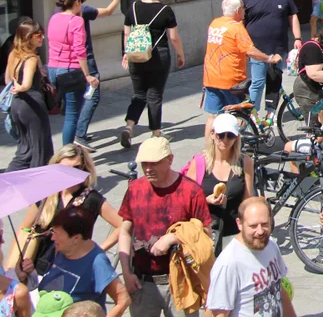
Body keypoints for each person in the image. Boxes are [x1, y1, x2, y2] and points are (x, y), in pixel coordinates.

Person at [118, 136, 211, 317]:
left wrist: (174, 237)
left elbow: (205, 235)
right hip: (142, 282)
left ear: (170, 159)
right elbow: (125, 231)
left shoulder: (191, 191)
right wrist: (126, 273)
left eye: (154, 163)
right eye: (144, 163)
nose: (147, 169)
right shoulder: (135, 189)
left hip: (181, 281)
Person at [6, 143, 123, 274]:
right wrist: (11, 267)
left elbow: (122, 225)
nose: (71, 173)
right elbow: (23, 230)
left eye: (76, 167)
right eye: (64, 168)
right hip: (38, 268)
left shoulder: (91, 198)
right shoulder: (45, 194)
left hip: (73, 270)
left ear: (84, 169)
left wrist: (98, 251)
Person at [19, 206, 129, 317]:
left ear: (76, 238)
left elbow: (123, 299)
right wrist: (30, 273)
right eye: (53, 232)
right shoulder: (60, 249)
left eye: (57, 233)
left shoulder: (96, 262)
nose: (52, 238)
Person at [203, 0, 282, 138]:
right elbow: (250, 50)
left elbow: (226, 46)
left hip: (210, 78)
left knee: (213, 116)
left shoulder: (215, 23)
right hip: (231, 81)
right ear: (238, 10)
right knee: (241, 115)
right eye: (243, 9)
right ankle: (237, 147)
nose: (245, 12)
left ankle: (211, 149)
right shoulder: (236, 27)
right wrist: (269, 58)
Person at [63, 0, 128, 148]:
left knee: (76, 99)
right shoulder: (82, 10)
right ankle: (80, 133)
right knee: (93, 94)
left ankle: (74, 135)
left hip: (68, 61)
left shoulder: (60, 11)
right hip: (85, 58)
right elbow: (107, 11)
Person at [205, 197, 296, 317]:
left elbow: (280, 291)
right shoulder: (228, 263)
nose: (260, 231)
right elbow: (219, 314)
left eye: (264, 224)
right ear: (239, 224)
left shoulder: (271, 245)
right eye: (253, 226)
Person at [120, 0, 183, 149]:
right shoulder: (166, 10)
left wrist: (126, 53)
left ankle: (128, 127)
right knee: (154, 96)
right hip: (158, 57)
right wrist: (180, 54)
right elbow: (173, 37)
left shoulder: (132, 7)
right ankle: (156, 133)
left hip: (135, 56)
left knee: (139, 94)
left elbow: (126, 33)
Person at [183, 113, 254, 250]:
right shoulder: (199, 163)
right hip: (204, 234)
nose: (225, 140)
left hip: (233, 235)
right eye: (221, 135)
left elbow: (247, 199)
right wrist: (207, 200)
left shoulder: (245, 162)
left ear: (237, 137)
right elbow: (186, 200)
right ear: (212, 134)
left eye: (230, 135)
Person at [242, 0, 301, 118]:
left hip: (278, 48)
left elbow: (292, 15)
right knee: (258, 82)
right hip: (257, 50)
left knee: (275, 81)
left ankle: (271, 113)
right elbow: (241, 23)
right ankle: (251, 113)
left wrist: (297, 37)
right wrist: (244, 47)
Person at [47, 0, 94, 147]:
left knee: (67, 111)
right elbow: (80, 50)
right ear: (76, 2)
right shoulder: (76, 21)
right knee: (72, 115)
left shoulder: (54, 18)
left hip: (53, 68)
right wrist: (87, 75)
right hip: (70, 70)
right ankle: (67, 152)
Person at [4, 19, 53, 171]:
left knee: (24, 150)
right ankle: (38, 188)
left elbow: (7, 79)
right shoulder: (31, 58)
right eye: (38, 35)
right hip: (32, 104)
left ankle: (6, 181)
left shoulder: (14, 53)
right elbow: (26, 83)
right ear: (28, 38)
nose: (42, 38)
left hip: (16, 105)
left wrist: (16, 86)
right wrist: (21, 87)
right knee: (40, 148)